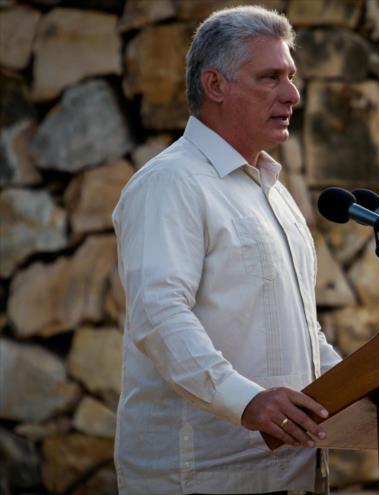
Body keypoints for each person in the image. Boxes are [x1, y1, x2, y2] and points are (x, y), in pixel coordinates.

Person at [112, 6, 342, 494]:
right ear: (215, 85)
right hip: (204, 479)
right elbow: (159, 315)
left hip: (288, 474)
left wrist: (370, 389)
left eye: (291, 77)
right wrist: (247, 402)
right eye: (270, 77)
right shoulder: (169, 182)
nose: (293, 94)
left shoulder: (272, 191)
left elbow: (301, 331)